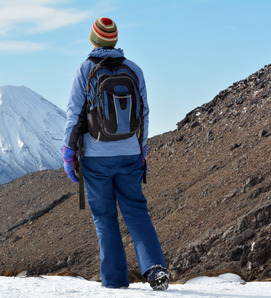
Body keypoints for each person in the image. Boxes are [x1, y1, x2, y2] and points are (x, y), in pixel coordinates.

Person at [61, 17, 169, 290]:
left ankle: (115, 282)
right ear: (115, 40)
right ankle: (155, 269)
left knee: (104, 216)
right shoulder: (134, 69)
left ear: (93, 41)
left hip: (95, 158)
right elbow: (144, 113)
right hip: (130, 153)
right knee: (136, 211)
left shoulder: (84, 70)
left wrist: (68, 153)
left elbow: (74, 114)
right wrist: (141, 149)